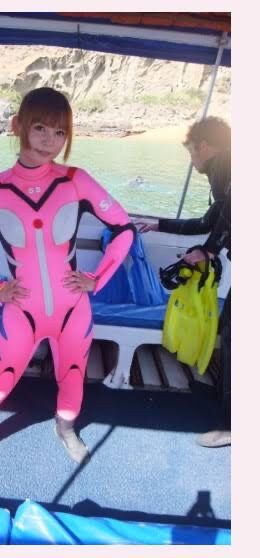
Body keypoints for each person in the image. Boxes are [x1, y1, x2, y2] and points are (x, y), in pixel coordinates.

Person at [0, 87, 135, 484]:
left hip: (73, 309)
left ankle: (65, 429)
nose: (51, 140)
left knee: (73, 373)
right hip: (22, 311)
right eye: (41, 128)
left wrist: (98, 278)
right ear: (18, 126)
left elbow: (124, 228)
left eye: (60, 132)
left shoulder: (76, 180)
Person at [135, 116, 231, 448]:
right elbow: (207, 222)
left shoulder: (226, 163)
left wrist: (209, 250)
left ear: (203, 146)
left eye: (191, 152)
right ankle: (225, 397)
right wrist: (159, 224)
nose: (193, 161)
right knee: (228, 330)